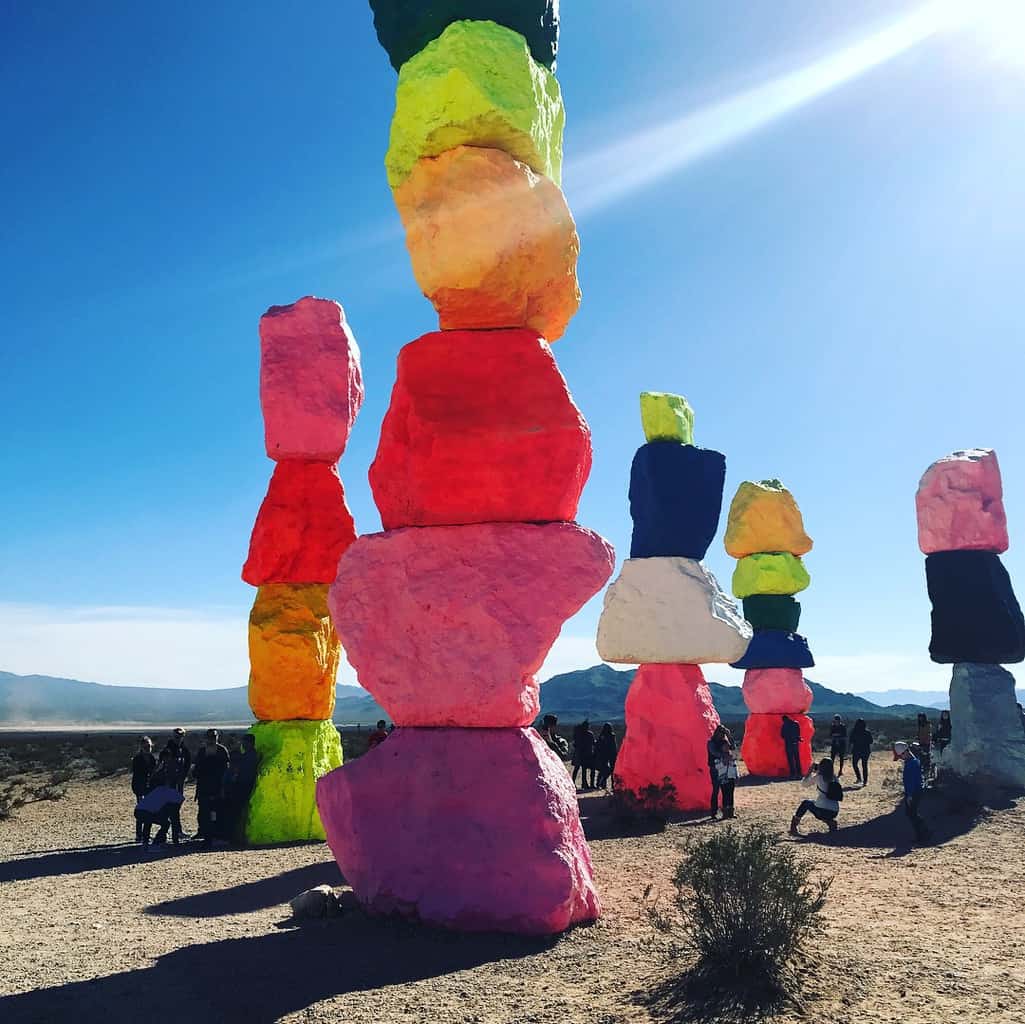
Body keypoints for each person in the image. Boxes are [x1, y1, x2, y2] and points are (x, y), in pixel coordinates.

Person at [135, 757, 185, 848]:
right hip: (145, 811)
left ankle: (146, 842)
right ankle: (157, 842)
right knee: (165, 823)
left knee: (149, 821)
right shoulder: (173, 795)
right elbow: (174, 818)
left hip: (139, 810)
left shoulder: (159, 789)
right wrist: (176, 841)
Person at [193, 728, 230, 844]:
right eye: (209, 737)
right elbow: (196, 769)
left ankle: (216, 834)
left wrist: (223, 787)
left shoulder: (222, 751)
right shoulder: (202, 751)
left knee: (216, 812)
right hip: (204, 787)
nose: (211, 739)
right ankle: (204, 833)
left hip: (217, 787)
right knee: (203, 812)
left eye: (213, 737)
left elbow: (226, 770)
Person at [789, 758, 842, 836]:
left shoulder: (818, 777)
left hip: (822, 811)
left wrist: (809, 771)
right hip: (834, 811)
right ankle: (830, 822)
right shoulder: (835, 778)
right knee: (818, 806)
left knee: (806, 803)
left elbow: (804, 784)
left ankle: (793, 827)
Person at [223, 733, 260, 841]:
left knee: (237, 813)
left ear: (250, 743)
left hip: (243, 786)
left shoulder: (249, 757)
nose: (243, 744)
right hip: (242, 786)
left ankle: (236, 837)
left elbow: (242, 772)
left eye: (245, 742)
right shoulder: (249, 756)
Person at [895, 741, 929, 843]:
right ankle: (923, 833)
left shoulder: (912, 763)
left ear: (905, 753)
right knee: (911, 813)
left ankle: (924, 834)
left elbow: (911, 781)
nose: (901, 758)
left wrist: (909, 795)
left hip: (913, 792)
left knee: (911, 814)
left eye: (901, 756)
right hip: (915, 791)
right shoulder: (913, 761)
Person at [130, 736, 157, 841]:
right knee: (142, 809)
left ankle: (145, 833)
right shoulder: (137, 759)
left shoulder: (151, 758)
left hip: (148, 788)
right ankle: (139, 834)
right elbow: (139, 774)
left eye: (149, 746)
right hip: (140, 787)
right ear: (141, 746)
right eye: (146, 746)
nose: (148, 748)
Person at [707, 725, 730, 819]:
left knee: (725, 790)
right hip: (715, 768)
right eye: (721, 733)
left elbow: (732, 747)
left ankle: (726, 811)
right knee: (716, 790)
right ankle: (714, 812)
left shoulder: (724, 741)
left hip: (724, 768)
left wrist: (729, 736)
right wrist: (724, 756)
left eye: (723, 733)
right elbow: (714, 752)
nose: (722, 735)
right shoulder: (711, 743)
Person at [714, 740, 739, 819]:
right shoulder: (718, 757)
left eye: (727, 746)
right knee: (725, 795)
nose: (726, 748)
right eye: (724, 746)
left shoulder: (732, 756)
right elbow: (717, 767)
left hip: (731, 777)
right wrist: (724, 762)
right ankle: (725, 813)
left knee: (730, 795)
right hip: (723, 778)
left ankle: (731, 813)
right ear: (721, 748)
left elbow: (735, 766)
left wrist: (736, 775)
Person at [163, 727, 192, 794]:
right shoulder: (167, 749)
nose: (178, 739)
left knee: (178, 797)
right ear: (173, 737)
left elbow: (188, 763)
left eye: (180, 737)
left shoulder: (184, 749)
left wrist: (184, 774)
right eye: (176, 737)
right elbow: (162, 763)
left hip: (180, 778)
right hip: (169, 778)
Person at [571, 720, 597, 790]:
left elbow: (575, 744)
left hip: (580, 754)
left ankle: (575, 783)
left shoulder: (579, 734)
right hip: (588, 754)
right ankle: (588, 784)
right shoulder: (589, 734)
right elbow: (593, 743)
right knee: (590, 769)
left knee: (581, 769)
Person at [594, 723, 618, 791]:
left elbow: (598, 745)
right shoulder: (612, 736)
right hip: (611, 754)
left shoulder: (602, 736)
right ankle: (612, 785)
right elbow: (614, 746)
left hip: (604, 754)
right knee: (612, 770)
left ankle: (601, 783)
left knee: (603, 769)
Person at [849, 719, 873, 786]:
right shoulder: (867, 732)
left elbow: (851, 741)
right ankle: (865, 781)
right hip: (865, 751)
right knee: (864, 766)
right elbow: (871, 741)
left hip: (856, 750)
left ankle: (859, 778)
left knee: (854, 764)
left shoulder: (854, 731)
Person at [916, 712, 933, 780]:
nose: (920, 719)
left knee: (926, 758)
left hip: (926, 744)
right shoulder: (920, 725)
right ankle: (923, 773)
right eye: (919, 717)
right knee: (921, 758)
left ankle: (927, 773)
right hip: (921, 743)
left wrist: (927, 741)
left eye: (921, 717)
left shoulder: (928, 724)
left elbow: (929, 734)